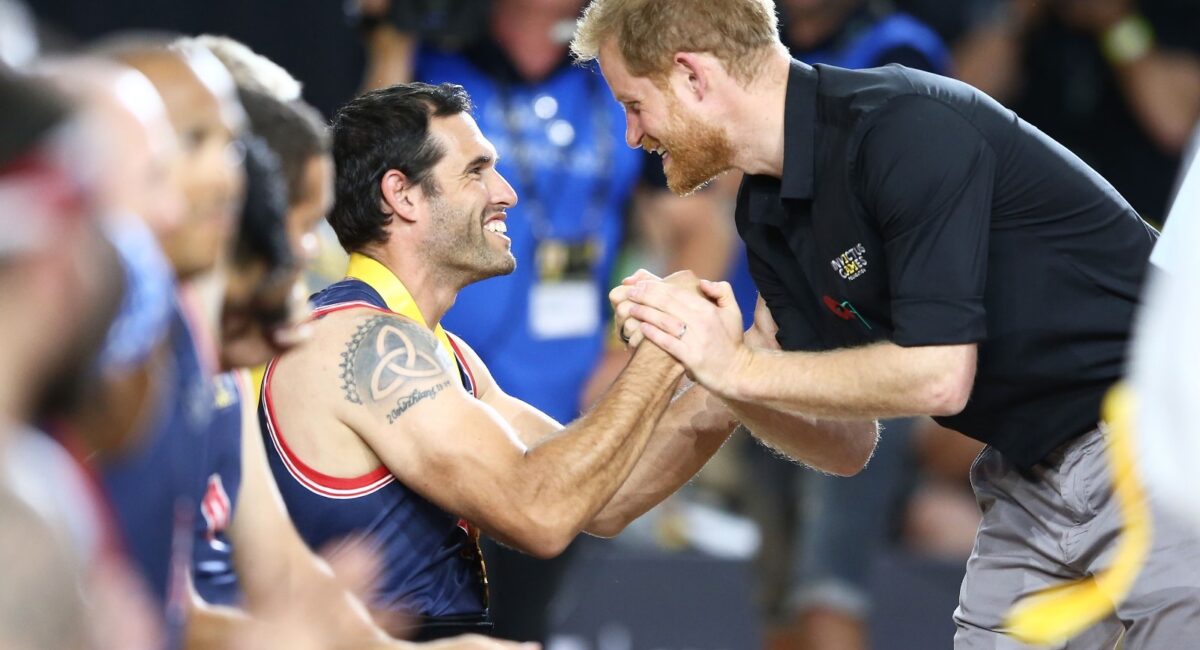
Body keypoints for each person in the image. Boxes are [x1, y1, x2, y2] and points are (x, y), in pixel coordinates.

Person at [572, 0, 1200, 647]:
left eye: (633, 104)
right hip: (1027, 478)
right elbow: (846, 445)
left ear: (693, 76)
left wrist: (741, 366)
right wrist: (729, 372)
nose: (633, 135)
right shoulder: (766, 211)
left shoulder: (904, 124)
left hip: (1158, 447)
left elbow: (939, 377)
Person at [261, 81, 742, 640]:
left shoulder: (444, 353)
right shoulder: (362, 342)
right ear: (403, 195)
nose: (506, 192)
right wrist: (663, 347)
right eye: (477, 171)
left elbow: (604, 493)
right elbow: (538, 513)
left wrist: (729, 380)